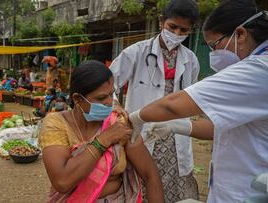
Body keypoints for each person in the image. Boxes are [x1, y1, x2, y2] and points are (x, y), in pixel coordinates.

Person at [128, 1, 268, 202]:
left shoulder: (257, 71)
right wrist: (180, 126)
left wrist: (136, 117)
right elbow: (223, 127)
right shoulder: (136, 51)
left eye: (214, 45)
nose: (213, 54)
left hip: (246, 192)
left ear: (240, 34)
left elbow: (174, 104)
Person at [109, 0, 200, 201]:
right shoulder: (136, 52)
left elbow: (190, 96)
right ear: (161, 22)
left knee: (171, 186)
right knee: (139, 184)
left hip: (174, 135)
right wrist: (115, 105)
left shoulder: (191, 60)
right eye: (172, 27)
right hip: (141, 132)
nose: (176, 34)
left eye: (183, 30)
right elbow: (108, 82)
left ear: (191, 30)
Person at [39, 60, 164, 202]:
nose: (109, 102)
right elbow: (62, 181)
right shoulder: (57, 124)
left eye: (112, 94)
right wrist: (103, 140)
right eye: (101, 98)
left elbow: (150, 175)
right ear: (78, 99)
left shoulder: (118, 123)